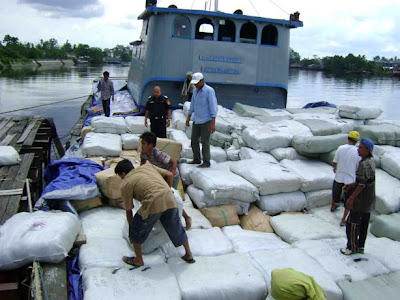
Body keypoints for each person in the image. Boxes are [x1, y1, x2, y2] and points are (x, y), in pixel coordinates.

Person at [115, 159, 195, 267]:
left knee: (135, 228)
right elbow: (169, 174)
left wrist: (132, 229)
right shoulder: (147, 166)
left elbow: (129, 210)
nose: (121, 179)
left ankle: (138, 260)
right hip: (170, 198)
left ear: (123, 173)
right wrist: (166, 189)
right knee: (176, 228)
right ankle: (189, 254)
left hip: (152, 202)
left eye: (120, 176)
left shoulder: (126, 183)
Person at [140, 131, 192, 229]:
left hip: (172, 176)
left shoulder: (157, 153)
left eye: (143, 143)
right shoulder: (144, 154)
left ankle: (186, 218)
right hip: (161, 176)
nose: (141, 145)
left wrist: (171, 175)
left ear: (151, 145)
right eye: (141, 143)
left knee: (171, 198)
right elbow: (142, 165)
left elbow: (173, 162)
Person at [340, 138, 376, 256]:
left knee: (352, 223)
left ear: (367, 150)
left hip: (361, 200)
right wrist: (351, 185)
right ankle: (360, 246)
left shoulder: (363, 164)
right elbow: (365, 181)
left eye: (360, 147)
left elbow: (361, 185)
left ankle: (351, 247)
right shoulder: (371, 161)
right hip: (368, 200)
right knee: (364, 224)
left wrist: (351, 198)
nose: (358, 150)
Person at [185, 72, 218, 168]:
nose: (195, 85)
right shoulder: (195, 90)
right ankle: (196, 159)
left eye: (197, 83)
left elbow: (213, 106)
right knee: (194, 140)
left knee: (205, 141)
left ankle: (206, 162)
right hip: (197, 119)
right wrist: (188, 117)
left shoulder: (209, 91)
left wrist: (213, 122)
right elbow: (193, 104)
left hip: (206, 120)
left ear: (202, 81)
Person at [331, 131, 361, 226]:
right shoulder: (358, 152)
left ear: (348, 138)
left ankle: (333, 206)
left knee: (335, 193)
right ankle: (343, 219)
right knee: (349, 201)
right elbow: (358, 167)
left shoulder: (341, 148)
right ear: (356, 141)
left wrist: (335, 168)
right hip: (350, 180)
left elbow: (335, 161)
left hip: (339, 176)